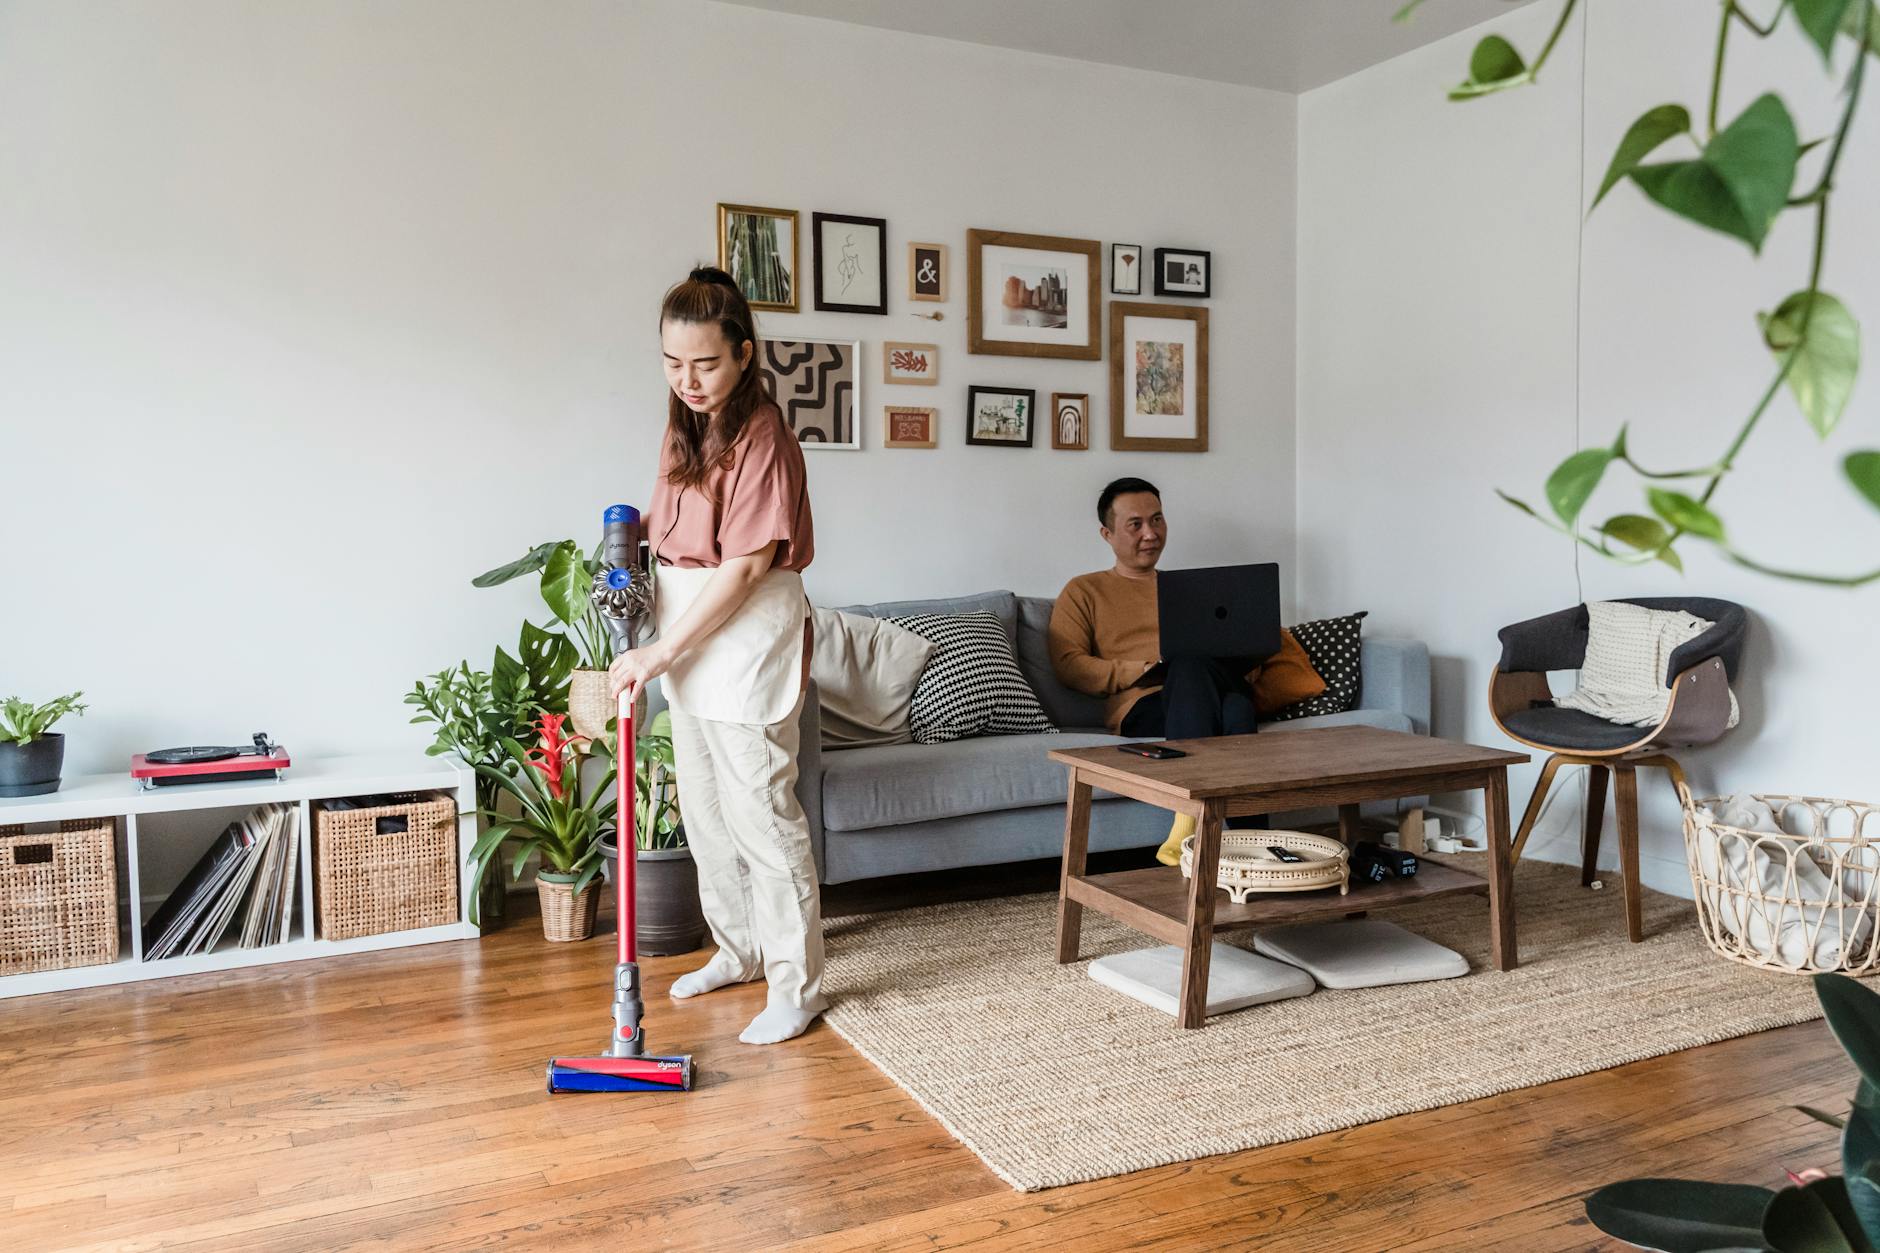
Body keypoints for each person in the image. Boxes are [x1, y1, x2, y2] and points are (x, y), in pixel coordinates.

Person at [608, 266, 825, 1046]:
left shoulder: (764, 435)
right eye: (673, 363)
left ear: (742, 353)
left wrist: (662, 650)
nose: (689, 380)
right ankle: (738, 952)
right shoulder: (682, 429)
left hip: (741, 639)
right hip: (687, 642)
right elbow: (670, 539)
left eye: (704, 362)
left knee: (764, 818)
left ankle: (795, 985)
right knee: (705, 815)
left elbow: (742, 568)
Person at [1047, 477, 1324, 864]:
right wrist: (1141, 669)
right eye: (1136, 524)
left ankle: (1193, 825)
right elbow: (1068, 666)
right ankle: (1256, 842)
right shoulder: (1084, 591)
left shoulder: (1194, 590)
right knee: (1234, 708)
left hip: (1205, 683)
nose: (1151, 533)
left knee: (1200, 668)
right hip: (1145, 705)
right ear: (1107, 533)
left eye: (1158, 520)